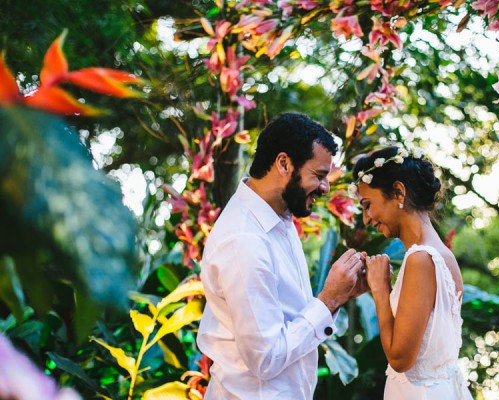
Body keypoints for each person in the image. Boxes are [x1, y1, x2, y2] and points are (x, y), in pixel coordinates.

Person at [197, 112, 368, 399]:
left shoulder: (281, 220)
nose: (325, 188)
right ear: (284, 163)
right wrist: (328, 300)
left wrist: (340, 296)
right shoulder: (244, 240)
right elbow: (266, 358)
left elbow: (290, 320)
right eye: (319, 175)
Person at [351, 146, 473, 400]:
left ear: (398, 192)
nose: (366, 219)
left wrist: (380, 290)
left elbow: (400, 358)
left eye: (367, 205)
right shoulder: (442, 256)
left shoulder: (421, 259)